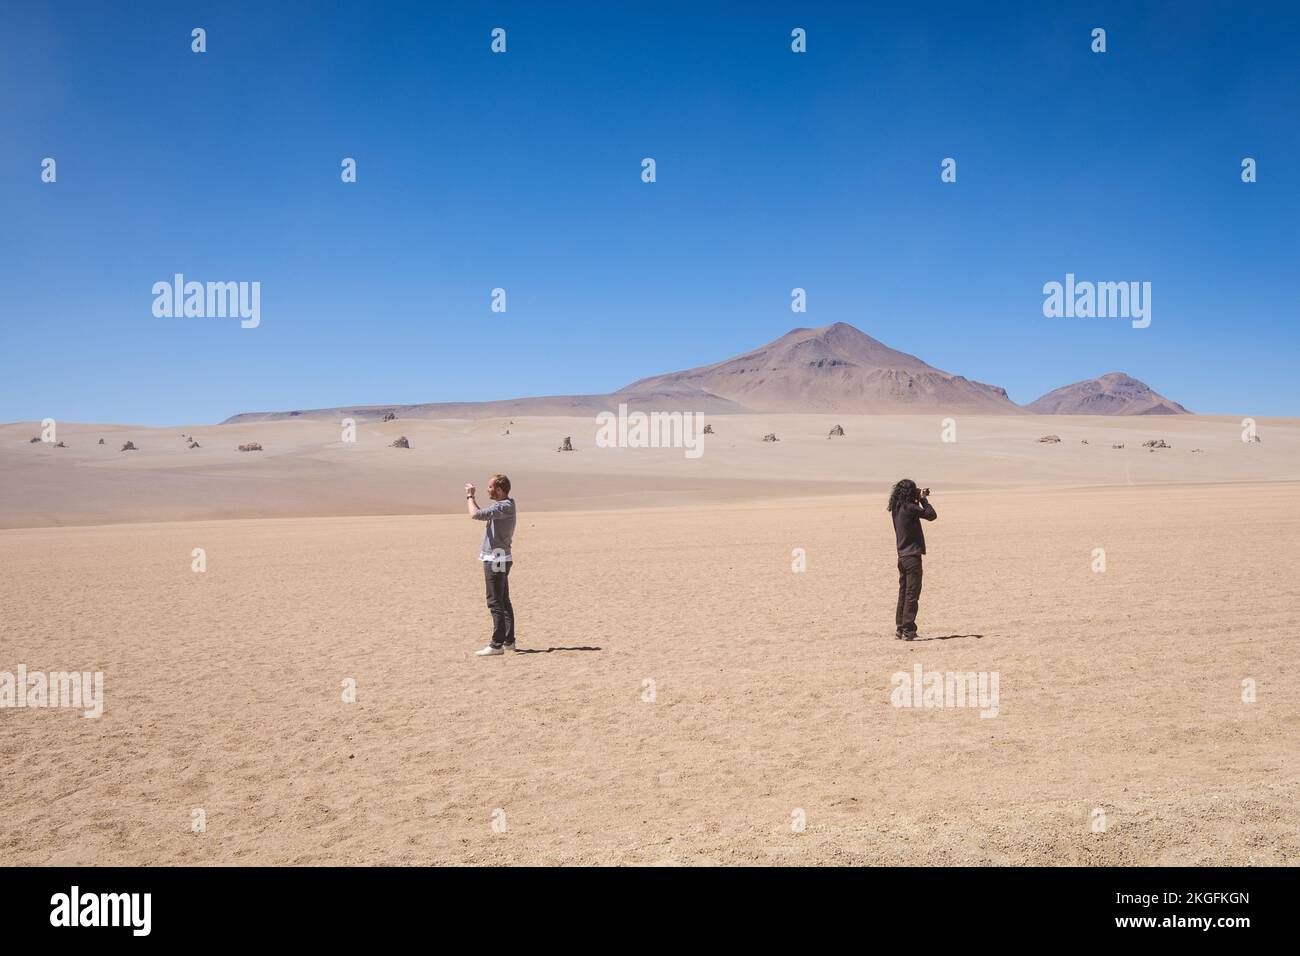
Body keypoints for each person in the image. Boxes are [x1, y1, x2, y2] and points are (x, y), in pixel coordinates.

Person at [466, 474, 517, 656]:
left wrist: (470, 496)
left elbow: (474, 515)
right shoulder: (504, 506)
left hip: (496, 558)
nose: (488, 490)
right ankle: (508, 641)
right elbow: (481, 515)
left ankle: (497, 644)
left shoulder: (503, 506)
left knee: (495, 601)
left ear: (499, 490)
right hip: (500, 557)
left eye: (490, 487)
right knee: (503, 600)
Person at [887, 479, 936, 640]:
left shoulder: (896, 507)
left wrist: (916, 496)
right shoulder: (910, 507)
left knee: (904, 593)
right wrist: (922, 499)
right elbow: (931, 515)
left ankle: (900, 628)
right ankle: (909, 630)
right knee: (912, 594)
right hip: (912, 556)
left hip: (902, 556)